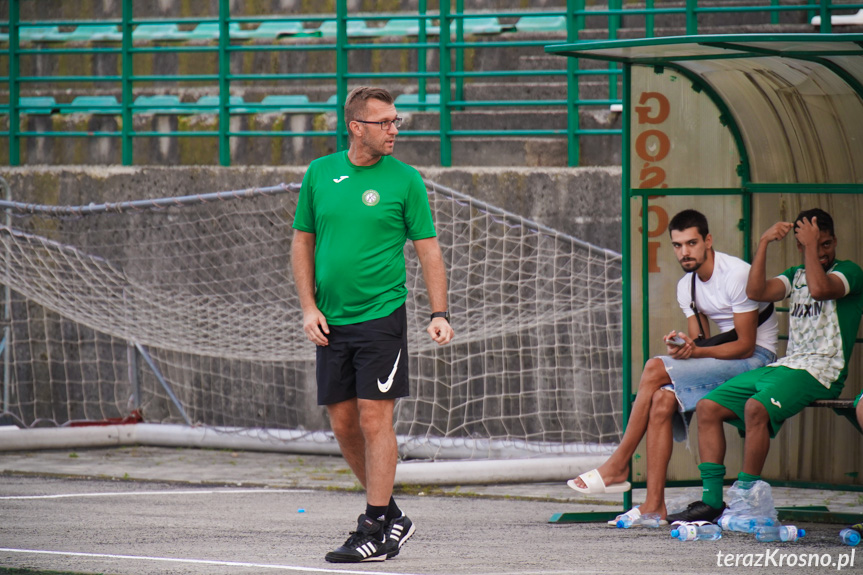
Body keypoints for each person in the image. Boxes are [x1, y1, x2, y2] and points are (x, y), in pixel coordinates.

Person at [292, 86, 455, 562]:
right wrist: (308, 306)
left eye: (396, 121)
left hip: (382, 316)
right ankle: (392, 517)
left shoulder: (406, 181)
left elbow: (428, 250)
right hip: (330, 320)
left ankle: (373, 526)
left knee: (373, 417)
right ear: (356, 127)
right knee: (342, 423)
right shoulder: (320, 174)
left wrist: (439, 313)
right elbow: (302, 242)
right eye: (384, 122)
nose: (394, 130)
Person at [567, 209, 778, 524]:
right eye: (678, 245)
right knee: (662, 398)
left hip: (756, 360)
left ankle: (619, 463)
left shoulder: (736, 274)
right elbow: (701, 342)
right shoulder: (686, 286)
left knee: (654, 367)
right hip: (725, 360)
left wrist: (690, 356)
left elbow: (746, 344)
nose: (685, 252)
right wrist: (684, 346)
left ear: (708, 241)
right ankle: (654, 505)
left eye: (692, 243)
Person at [669, 208, 863, 523]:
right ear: (799, 247)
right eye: (815, 246)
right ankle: (712, 501)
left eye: (826, 245)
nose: (822, 253)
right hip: (787, 366)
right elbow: (756, 292)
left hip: (821, 371)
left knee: (756, 408)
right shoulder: (796, 274)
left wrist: (811, 246)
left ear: (834, 242)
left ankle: (747, 502)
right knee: (707, 407)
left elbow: (820, 289)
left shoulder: (849, 272)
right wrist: (763, 243)